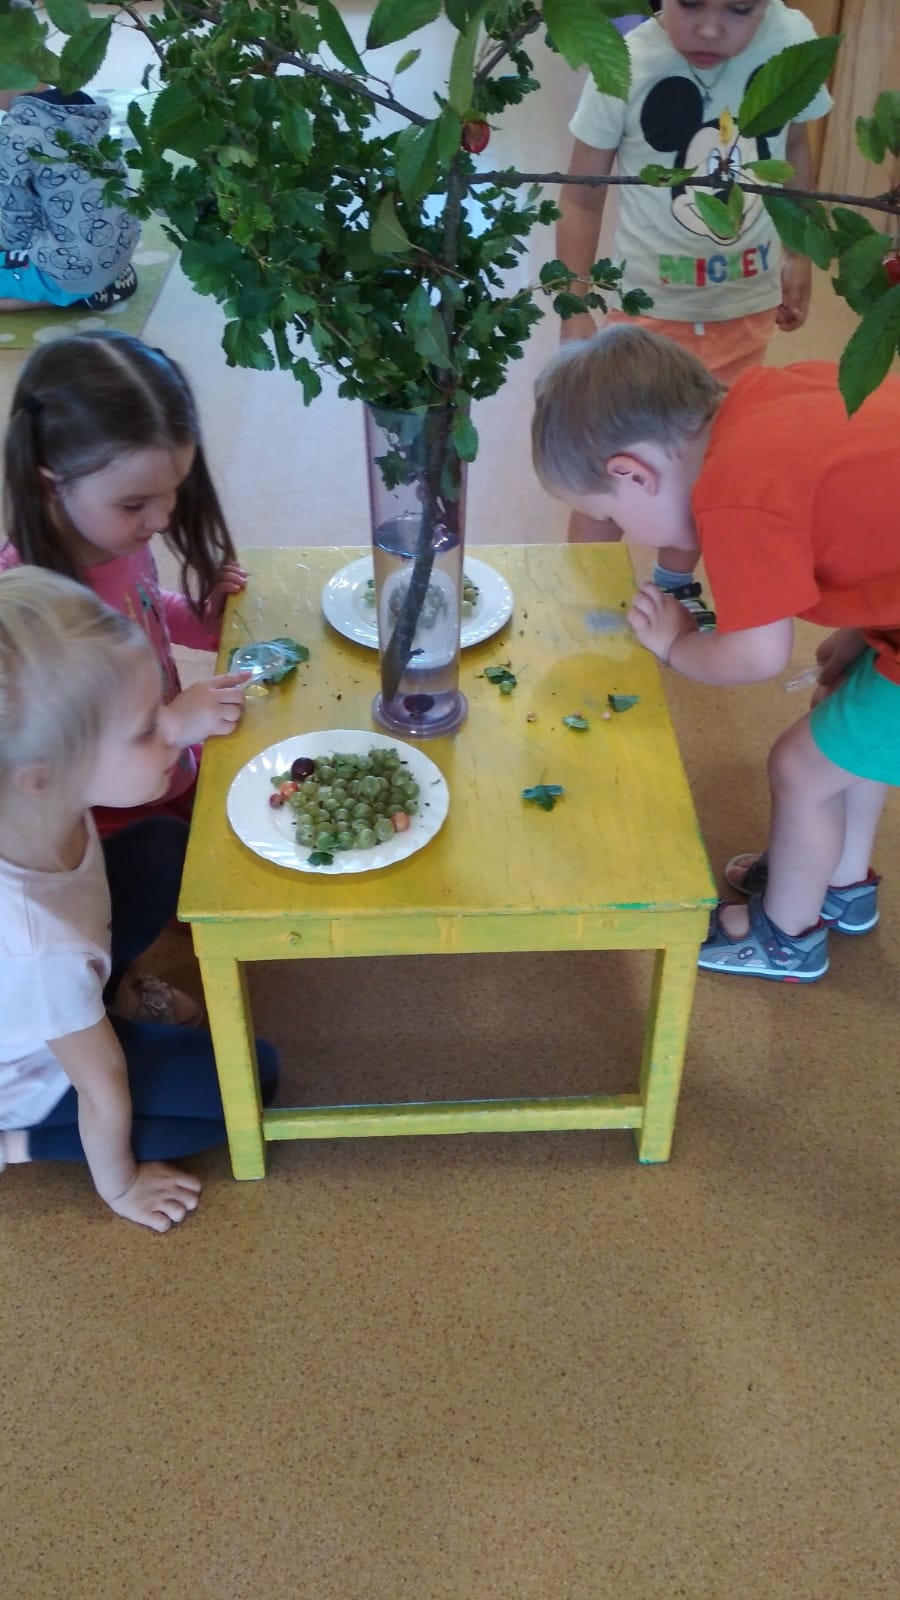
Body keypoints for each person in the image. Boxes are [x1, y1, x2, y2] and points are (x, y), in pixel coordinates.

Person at [530, 325, 900, 984]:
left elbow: (757, 656)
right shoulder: (766, 396)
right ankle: (839, 882)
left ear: (632, 473)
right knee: (845, 722)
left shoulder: (736, 492)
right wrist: (867, 625)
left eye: (614, 517)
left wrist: (678, 644)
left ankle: (786, 936)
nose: (624, 533)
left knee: (799, 770)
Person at [0, 568, 279, 1230]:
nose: (169, 733)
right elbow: (100, 1087)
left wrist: (173, 723)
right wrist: (122, 1185)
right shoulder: (38, 947)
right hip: (34, 1073)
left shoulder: (31, 795)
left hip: (56, 990)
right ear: (45, 777)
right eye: (145, 730)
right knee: (248, 1082)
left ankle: (104, 998)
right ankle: (19, 1142)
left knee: (161, 843)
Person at [555, 0, 832, 625]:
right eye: (690, 4)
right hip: (645, 320)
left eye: (739, 9)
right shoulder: (624, 63)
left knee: (711, 464)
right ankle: (583, 594)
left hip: (743, 314)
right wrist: (574, 306)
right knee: (612, 458)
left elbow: (794, 144)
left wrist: (800, 251)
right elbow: (580, 199)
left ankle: (675, 585)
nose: (709, 28)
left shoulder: (791, 40)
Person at [0, 329, 249, 840]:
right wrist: (173, 724)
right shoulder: (25, 609)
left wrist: (197, 617)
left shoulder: (111, 537)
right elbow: (40, 771)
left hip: (166, 766)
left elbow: (141, 608)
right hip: (101, 817)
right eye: (134, 504)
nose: (161, 520)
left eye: (173, 491)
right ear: (51, 484)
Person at [0, 86, 140, 312]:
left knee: (10, 272)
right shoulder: (80, 106)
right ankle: (104, 280)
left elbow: (16, 233)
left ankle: (79, 295)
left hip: (72, 269)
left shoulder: (14, 132)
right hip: (117, 250)